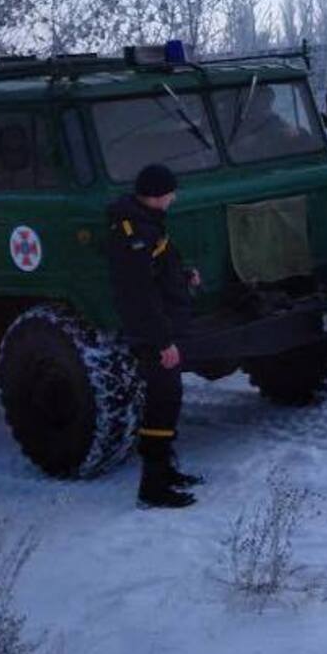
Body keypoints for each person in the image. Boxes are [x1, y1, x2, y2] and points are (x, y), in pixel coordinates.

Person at [106, 163, 204, 509]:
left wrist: (184, 276)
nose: (173, 198)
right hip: (152, 334)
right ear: (156, 194)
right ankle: (153, 486)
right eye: (170, 193)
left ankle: (166, 470)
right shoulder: (134, 232)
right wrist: (163, 341)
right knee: (162, 401)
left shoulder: (148, 224)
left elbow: (158, 272)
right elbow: (139, 294)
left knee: (168, 398)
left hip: (161, 328)